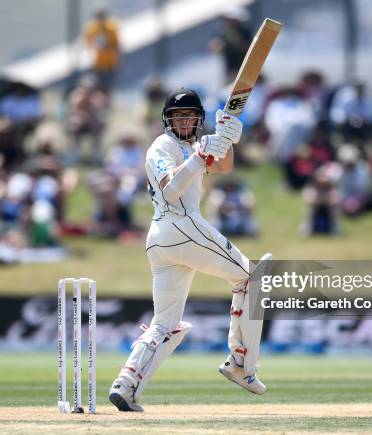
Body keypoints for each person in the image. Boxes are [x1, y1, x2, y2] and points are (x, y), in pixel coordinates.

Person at [108, 88, 271, 412]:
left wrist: (227, 138)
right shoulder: (162, 146)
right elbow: (170, 190)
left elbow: (222, 167)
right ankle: (241, 364)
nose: (185, 121)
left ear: (198, 119)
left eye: (191, 116)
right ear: (168, 120)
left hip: (164, 241)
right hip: (179, 225)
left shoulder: (194, 146)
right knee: (252, 277)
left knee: (165, 323)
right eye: (179, 116)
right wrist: (199, 157)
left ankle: (126, 386)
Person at [83, 10, 120, 92]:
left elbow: (116, 44)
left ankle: (107, 102)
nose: (100, 19)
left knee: (108, 86)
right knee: (98, 86)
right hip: (97, 63)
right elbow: (88, 44)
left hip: (110, 63)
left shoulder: (111, 28)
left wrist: (107, 45)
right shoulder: (92, 29)